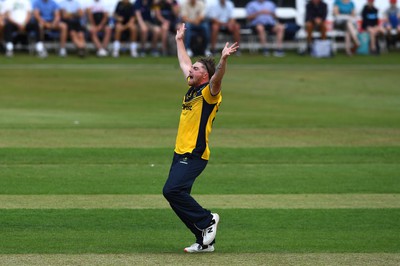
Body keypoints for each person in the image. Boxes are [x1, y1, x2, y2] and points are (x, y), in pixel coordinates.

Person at [163, 23, 238, 254]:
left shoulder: (208, 93)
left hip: (194, 154)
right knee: (177, 195)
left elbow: (217, 79)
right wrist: (179, 41)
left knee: (172, 191)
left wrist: (223, 60)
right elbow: (184, 62)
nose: (189, 70)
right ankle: (204, 240)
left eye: (195, 69)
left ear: (204, 75)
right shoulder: (192, 88)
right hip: (180, 152)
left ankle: (207, 221)